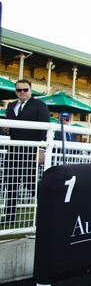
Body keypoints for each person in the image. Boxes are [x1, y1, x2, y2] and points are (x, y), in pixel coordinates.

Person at [2, 79, 50, 225]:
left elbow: (45, 127)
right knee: (10, 184)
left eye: (25, 90)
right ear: (15, 91)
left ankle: (49, 212)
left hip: (30, 153)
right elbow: (7, 126)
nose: (22, 92)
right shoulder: (11, 105)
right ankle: (9, 217)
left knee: (31, 185)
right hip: (13, 152)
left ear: (30, 90)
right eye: (19, 90)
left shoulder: (39, 105)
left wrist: (41, 150)